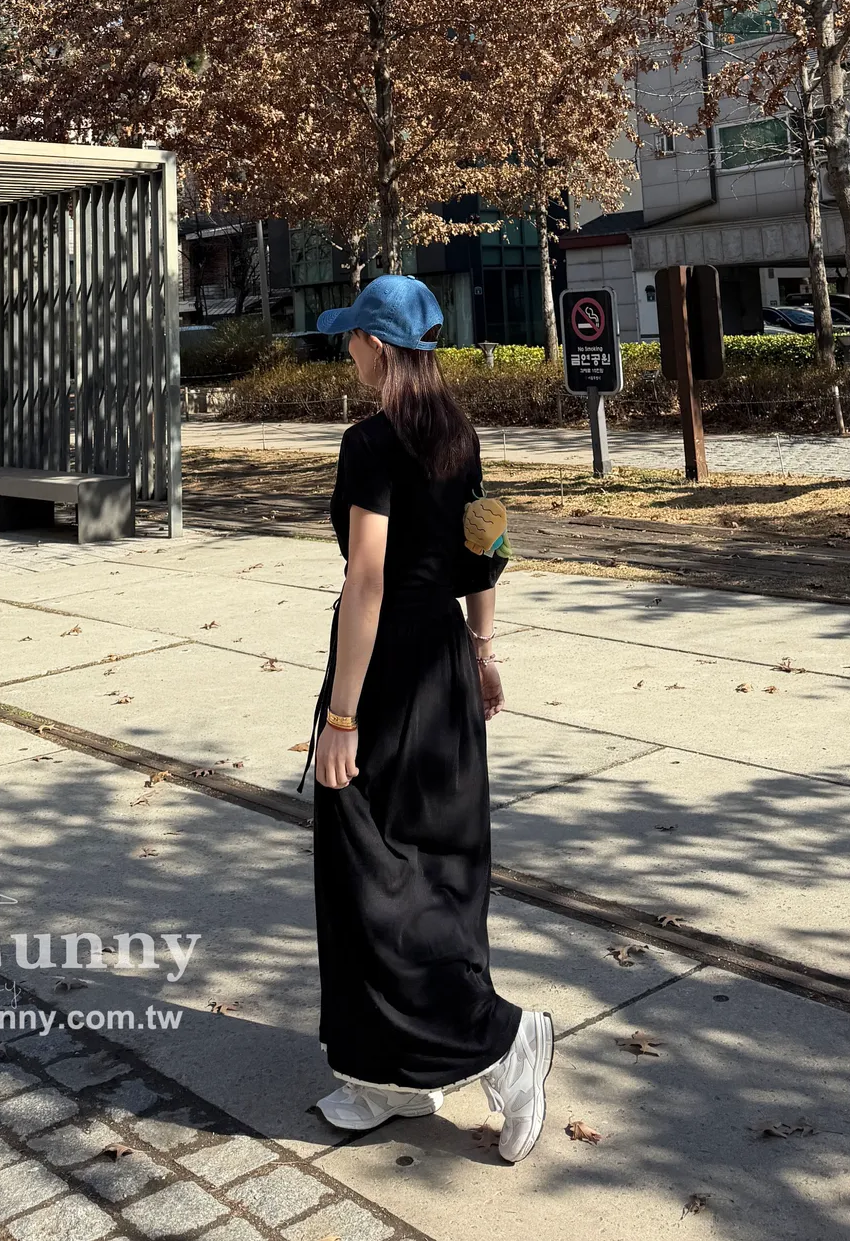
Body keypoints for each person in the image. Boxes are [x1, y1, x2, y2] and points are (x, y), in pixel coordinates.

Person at [303, 273, 553, 1164]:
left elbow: (366, 579)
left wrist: (341, 715)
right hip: (444, 663)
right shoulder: (460, 434)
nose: (346, 349)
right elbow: (489, 548)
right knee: (434, 867)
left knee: (375, 877)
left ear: (377, 345)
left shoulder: (369, 441)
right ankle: (392, 1075)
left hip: (388, 675)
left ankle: (503, 1040)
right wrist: (483, 653)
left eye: (352, 337)